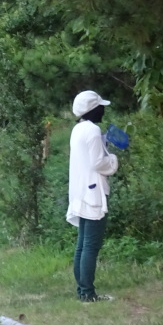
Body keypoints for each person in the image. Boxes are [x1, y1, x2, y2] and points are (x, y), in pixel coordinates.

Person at [66, 90, 119, 302]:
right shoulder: (93, 130)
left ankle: (82, 291)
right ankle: (87, 293)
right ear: (93, 109)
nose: (103, 110)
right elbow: (98, 163)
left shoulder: (77, 129)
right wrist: (113, 158)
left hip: (79, 192)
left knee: (82, 244)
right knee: (91, 245)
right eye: (101, 107)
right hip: (93, 193)